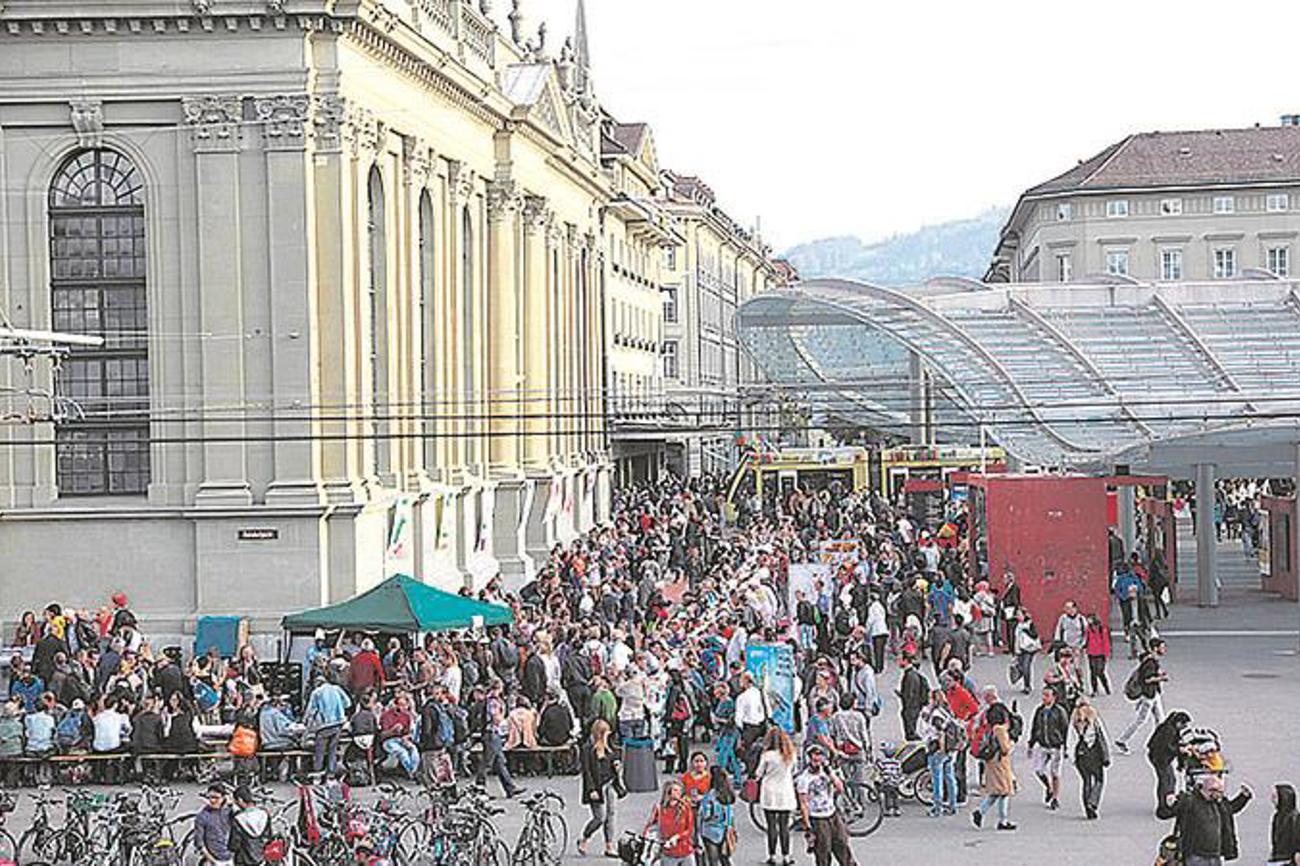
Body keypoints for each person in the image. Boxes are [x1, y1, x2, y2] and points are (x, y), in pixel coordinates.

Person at [1158, 772, 1252, 866]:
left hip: (1215, 855)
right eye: (1216, 792)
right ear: (1208, 789)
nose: (1218, 795)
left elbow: (1231, 809)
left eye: (1220, 792)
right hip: (1195, 854)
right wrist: (1170, 802)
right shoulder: (1191, 800)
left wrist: (1243, 797)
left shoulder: (1220, 804)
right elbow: (1175, 808)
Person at [796, 744, 856, 866]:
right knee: (823, 852)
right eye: (814, 759)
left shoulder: (827, 772)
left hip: (832, 815)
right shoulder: (804, 779)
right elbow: (803, 803)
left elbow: (840, 788)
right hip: (818, 819)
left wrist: (830, 773)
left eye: (819, 758)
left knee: (843, 846)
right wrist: (807, 827)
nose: (817, 762)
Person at [576, 719, 621, 858]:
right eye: (606, 732)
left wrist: (616, 764)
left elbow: (615, 758)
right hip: (597, 787)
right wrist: (591, 790)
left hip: (609, 784)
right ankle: (584, 838)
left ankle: (609, 845)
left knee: (610, 815)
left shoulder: (609, 746)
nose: (609, 734)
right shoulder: (587, 749)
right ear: (600, 734)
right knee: (599, 817)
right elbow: (587, 772)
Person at [1115, 638, 1168, 755]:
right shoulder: (1150, 662)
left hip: (1154, 694)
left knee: (1160, 720)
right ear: (1155, 648)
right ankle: (1122, 740)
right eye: (1162, 647)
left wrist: (1159, 674)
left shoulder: (1151, 660)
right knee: (1140, 720)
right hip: (1148, 696)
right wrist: (1161, 678)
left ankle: (1157, 744)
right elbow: (1147, 679)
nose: (1164, 649)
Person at [754, 727, 797, 866]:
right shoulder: (790, 754)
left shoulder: (767, 756)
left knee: (771, 825)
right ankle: (786, 856)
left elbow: (758, 773)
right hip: (785, 791)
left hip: (769, 792)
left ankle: (772, 856)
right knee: (784, 826)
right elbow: (794, 771)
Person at [971, 703, 1017, 832]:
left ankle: (981, 812)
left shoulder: (990, 728)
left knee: (996, 792)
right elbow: (1005, 748)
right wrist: (1011, 743)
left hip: (992, 762)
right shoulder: (1000, 729)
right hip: (1000, 763)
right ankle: (1002, 820)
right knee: (1004, 791)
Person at [919, 688, 960, 817]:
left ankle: (937, 807)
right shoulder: (947, 711)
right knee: (950, 776)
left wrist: (941, 749)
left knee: (937, 778)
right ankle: (953, 805)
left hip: (938, 748)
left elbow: (940, 732)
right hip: (951, 749)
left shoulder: (936, 714)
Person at [303, 670, 352, 777]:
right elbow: (348, 703)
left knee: (319, 751)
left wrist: (304, 722)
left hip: (323, 725)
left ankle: (318, 774)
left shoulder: (316, 693)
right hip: (338, 724)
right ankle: (331, 774)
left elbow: (311, 711)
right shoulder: (337, 689)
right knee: (332, 750)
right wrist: (339, 708)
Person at [1028, 686, 1068, 811]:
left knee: (1055, 773)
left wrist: (1065, 747)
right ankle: (1049, 787)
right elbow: (1034, 727)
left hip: (1056, 746)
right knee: (1038, 770)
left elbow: (1065, 729)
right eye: (1043, 695)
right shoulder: (1039, 710)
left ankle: (1055, 798)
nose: (1044, 698)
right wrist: (1031, 744)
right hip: (1042, 745)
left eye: (1047, 695)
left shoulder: (1060, 711)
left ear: (1054, 697)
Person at [1070, 698, 1110, 820]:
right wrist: (1106, 755)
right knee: (1099, 779)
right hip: (1094, 754)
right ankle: (1093, 802)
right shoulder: (1094, 720)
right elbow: (1103, 737)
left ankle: (1087, 807)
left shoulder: (1074, 721)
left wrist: (1073, 758)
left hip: (1081, 756)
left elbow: (1070, 740)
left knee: (1086, 781)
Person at [1147, 711, 1193, 812]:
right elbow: (1167, 747)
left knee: (1170, 780)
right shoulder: (1169, 731)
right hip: (1160, 758)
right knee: (1166, 781)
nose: (1184, 727)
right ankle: (1164, 805)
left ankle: (1167, 802)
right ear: (1179, 722)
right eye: (1184, 725)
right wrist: (1180, 750)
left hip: (1161, 758)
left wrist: (1180, 759)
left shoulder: (1171, 728)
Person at [644, 781, 695, 866]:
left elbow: (689, 829)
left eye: (680, 790)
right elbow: (649, 827)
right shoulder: (659, 808)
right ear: (668, 792)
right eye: (675, 790)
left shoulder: (686, 807)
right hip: (668, 851)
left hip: (685, 850)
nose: (678, 793)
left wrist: (677, 837)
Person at [697, 767, 735, 866]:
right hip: (725, 830)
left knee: (713, 860)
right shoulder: (728, 795)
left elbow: (706, 815)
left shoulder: (710, 796)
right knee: (725, 858)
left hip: (709, 831)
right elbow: (730, 815)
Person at [228, 785, 270, 866]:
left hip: (244, 860)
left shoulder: (238, 819)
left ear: (240, 800)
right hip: (261, 859)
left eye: (236, 801)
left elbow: (234, 844)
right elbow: (268, 837)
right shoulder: (264, 814)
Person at [194, 784, 235, 866]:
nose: (212, 800)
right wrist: (213, 861)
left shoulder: (229, 812)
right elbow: (199, 843)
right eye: (210, 797)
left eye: (216, 797)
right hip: (213, 859)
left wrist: (231, 803)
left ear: (223, 798)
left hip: (231, 858)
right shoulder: (202, 816)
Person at [896, 653, 927, 742]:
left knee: (910, 732)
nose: (897, 662)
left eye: (899, 660)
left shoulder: (910, 675)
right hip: (913, 707)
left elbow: (910, 694)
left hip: (911, 707)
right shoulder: (911, 673)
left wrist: (903, 697)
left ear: (905, 661)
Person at [1268, 783, 1300, 866]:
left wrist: (1297, 852)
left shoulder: (1295, 818)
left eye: (1274, 797)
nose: (1271, 799)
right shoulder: (1277, 816)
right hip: (1277, 857)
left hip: (1288, 859)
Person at [1010, 609, 1041, 695]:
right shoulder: (1016, 625)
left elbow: (1035, 635)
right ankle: (1023, 679)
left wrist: (1026, 631)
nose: (1018, 617)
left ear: (1024, 615)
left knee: (1026, 666)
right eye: (1017, 615)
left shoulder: (1029, 623)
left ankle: (1027, 686)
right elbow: (1014, 638)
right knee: (1020, 666)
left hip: (1029, 649)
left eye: (1019, 615)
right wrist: (1014, 651)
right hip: (1019, 649)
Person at [1084, 614, 1111, 697]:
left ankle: (1106, 687)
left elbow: (1106, 642)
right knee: (1093, 672)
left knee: (1100, 672)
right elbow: (1086, 639)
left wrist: (1106, 654)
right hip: (1091, 652)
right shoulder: (1088, 629)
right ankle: (1094, 690)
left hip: (1101, 653)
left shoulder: (1102, 629)